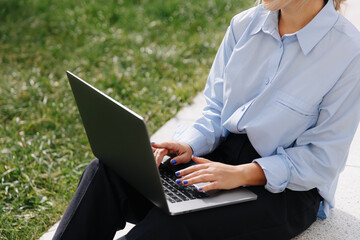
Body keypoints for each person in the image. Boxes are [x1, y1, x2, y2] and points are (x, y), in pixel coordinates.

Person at [53, 0, 360, 239]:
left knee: (171, 226)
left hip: (288, 189)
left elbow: (322, 159)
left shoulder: (348, 53)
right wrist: (188, 143)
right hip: (218, 156)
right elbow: (215, 108)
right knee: (107, 170)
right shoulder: (244, 25)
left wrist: (242, 174)